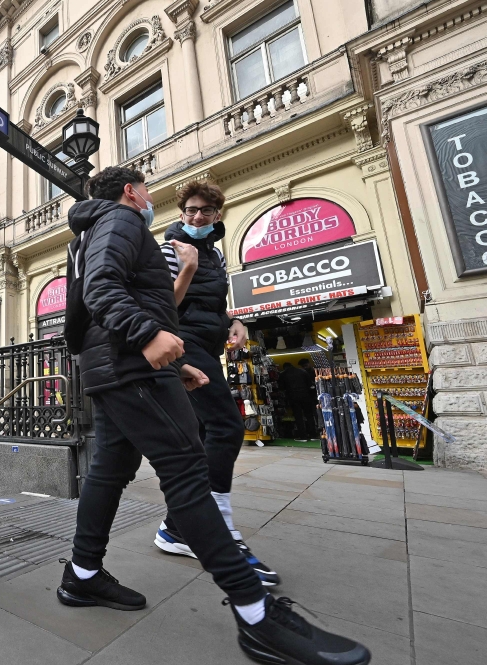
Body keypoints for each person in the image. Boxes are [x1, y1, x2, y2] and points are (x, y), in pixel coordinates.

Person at [57, 166, 369, 665]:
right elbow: (102, 289)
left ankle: (83, 575)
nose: (153, 199)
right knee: (186, 469)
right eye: (149, 190)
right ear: (132, 191)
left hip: (120, 364)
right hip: (130, 363)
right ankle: (255, 613)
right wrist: (147, 338)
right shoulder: (122, 218)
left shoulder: (96, 227)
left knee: (111, 467)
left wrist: (174, 361)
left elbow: (116, 298)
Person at [153, 180, 279, 586]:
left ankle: (177, 526)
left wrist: (236, 321)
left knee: (207, 432)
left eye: (205, 211)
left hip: (210, 345)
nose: (196, 217)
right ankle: (216, 528)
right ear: (180, 212)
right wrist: (186, 267)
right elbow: (161, 308)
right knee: (227, 426)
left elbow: (213, 305)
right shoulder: (171, 250)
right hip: (182, 345)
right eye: (190, 209)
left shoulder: (216, 254)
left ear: (217, 215)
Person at [280, 361, 316, 441]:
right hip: (306, 396)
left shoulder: (283, 374)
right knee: (309, 415)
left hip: (293, 397)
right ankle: (313, 435)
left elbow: (282, 387)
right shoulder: (303, 371)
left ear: (285, 367)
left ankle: (303, 436)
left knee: (298, 416)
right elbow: (310, 385)